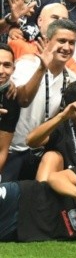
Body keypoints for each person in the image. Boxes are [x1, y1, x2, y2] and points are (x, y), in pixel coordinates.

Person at [5, 19, 76, 181]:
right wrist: (42, 68)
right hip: (12, 151)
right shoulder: (26, 65)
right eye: (61, 41)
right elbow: (23, 100)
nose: (67, 47)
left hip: (42, 153)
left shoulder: (72, 79)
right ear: (47, 41)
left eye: (72, 43)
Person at [0, 44, 21, 175]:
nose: (1, 70)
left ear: (13, 69)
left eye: (6, 65)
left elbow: (2, 149)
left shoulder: (10, 98)